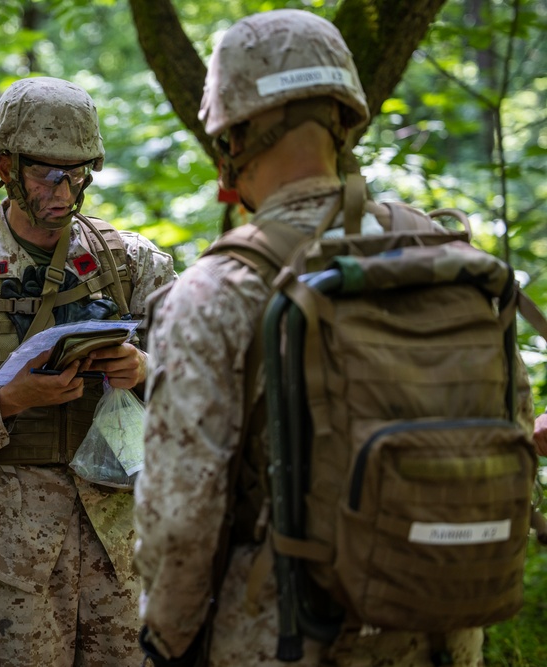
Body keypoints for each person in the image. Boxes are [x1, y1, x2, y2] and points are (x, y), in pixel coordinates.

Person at [134, 9, 497, 667]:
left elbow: (181, 520)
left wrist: (164, 641)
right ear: (343, 115)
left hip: (287, 635)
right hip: (445, 627)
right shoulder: (435, 249)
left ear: (234, 134)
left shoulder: (219, 289)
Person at [0, 76, 175, 665]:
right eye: (49, 173)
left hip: (121, 548)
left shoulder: (134, 264)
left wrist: (146, 370)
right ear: (5, 166)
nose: (65, 190)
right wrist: (8, 401)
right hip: (6, 558)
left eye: (79, 174)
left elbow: (212, 393)